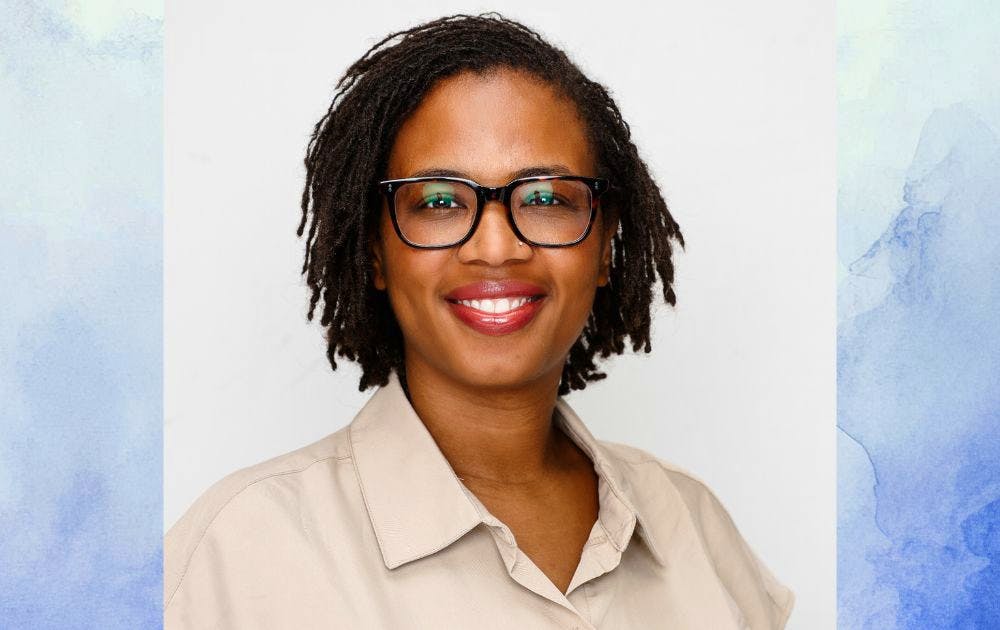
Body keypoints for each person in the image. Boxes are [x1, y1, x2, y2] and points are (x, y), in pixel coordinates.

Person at [164, 13, 794, 629]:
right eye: (439, 201)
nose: (495, 248)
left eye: (545, 198)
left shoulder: (695, 528)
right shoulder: (237, 553)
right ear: (376, 252)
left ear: (605, 246)